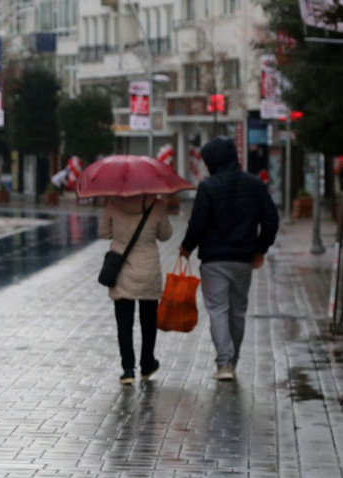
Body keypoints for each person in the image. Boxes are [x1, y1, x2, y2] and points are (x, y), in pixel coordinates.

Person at [179, 136, 279, 381]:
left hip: (214, 260)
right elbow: (271, 220)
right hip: (244, 259)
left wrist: (187, 246)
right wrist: (260, 249)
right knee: (237, 311)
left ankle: (225, 363)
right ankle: (232, 360)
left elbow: (198, 222)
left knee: (218, 310)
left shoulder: (208, 187)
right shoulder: (255, 184)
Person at [100, 194, 173, 385]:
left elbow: (103, 232)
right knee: (148, 321)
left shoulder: (113, 204)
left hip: (122, 269)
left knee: (124, 323)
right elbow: (166, 235)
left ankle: (128, 369)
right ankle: (147, 363)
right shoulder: (157, 205)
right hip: (148, 270)